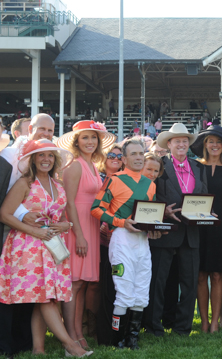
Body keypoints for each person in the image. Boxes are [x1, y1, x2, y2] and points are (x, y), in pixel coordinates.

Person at [0, 139, 91, 357]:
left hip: (51, 248)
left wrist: (64, 225)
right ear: (32, 160)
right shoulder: (24, 184)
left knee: (46, 296)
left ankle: (38, 349)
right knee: (44, 297)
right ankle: (70, 344)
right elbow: (4, 214)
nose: (46, 159)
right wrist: (35, 232)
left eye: (50, 155)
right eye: (41, 155)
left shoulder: (58, 185)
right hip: (27, 248)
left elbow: (58, 218)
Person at [91, 139, 162, 349]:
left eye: (141, 153)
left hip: (142, 241)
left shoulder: (151, 185)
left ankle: (133, 338)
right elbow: (96, 209)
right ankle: (117, 339)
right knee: (123, 289)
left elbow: (150, 215)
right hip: (121, 238)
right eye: (133, 154)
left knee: (141, 288)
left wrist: (155, 229)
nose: (138, 157)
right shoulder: (114, 180)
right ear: (124, 159)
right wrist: (121, 222)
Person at [0, 114, 56, 357]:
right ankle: (6, 343)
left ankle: (22, 340)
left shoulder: (44, 161)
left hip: (32, 237)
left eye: (50, 130)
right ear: (29, 129)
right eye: (41, 128)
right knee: (7, 289)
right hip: (7, 230)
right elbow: (6, 197)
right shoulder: (8, 156)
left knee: (27, 288)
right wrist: (23, 214)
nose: (45, 133)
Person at [143, 124, 207, 337]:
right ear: (168, 144)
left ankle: (183, 328)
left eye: (185, 140)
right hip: (165, 232)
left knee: (189, 284)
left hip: (192, 233)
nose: (181, 144)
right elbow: (149, 198)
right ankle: (154, 326)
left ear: (189, 144)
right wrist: (163, 213)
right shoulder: (158, 166)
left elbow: (204, 196)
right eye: (176, 140)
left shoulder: (199, 168)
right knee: (158, 282)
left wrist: (208, 213)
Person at [57, 120, 116, 349]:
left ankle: (78, 333)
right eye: (85, 138)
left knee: (81, 285)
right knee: (73, 284)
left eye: (93, 138)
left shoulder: (92, 165)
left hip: (90, 226)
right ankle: (70, 337)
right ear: (77, 141)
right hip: (77, 227)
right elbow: (69, 203)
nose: (90, 142)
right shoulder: (74, 166)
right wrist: (79, 235)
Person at [190, 125, 222, 333]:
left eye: (218, 142)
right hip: (197, 225)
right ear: (204, 145)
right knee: (200, 274)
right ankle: (204, 321)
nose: (214, 145)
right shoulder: (194, 167)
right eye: (210, 141)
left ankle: (216, 321)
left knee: (218, 274)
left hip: (219, 225)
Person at [94, 144, 124, 346]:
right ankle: (90, 322)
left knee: (114, 284)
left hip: (119, 239)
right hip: (97, 235)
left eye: (119, 156)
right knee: (95, 284)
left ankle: (115, 325)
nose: (115, 158)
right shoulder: (97, 177)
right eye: (110, 155)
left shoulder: (126, 179)